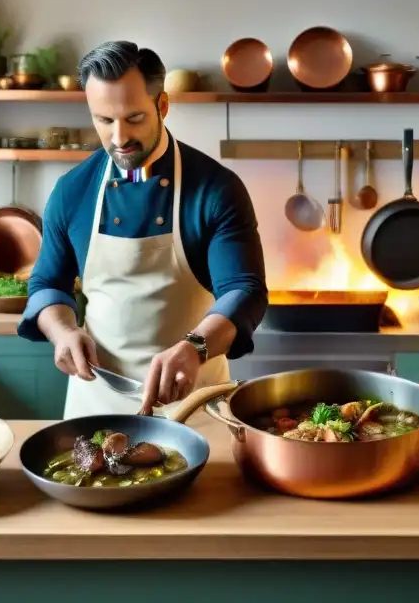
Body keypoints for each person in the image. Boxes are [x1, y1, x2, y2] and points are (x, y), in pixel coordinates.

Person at [17, 41, 267, 417]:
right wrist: (63, 332)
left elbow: (244, 290)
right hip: (96, 401)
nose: (119, 138)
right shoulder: (72, 191)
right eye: (104, 120)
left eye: (133, 118)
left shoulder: (216, 189)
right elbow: (47, 285)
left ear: (162, 106)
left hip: (193, 402)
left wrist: (195, 348)